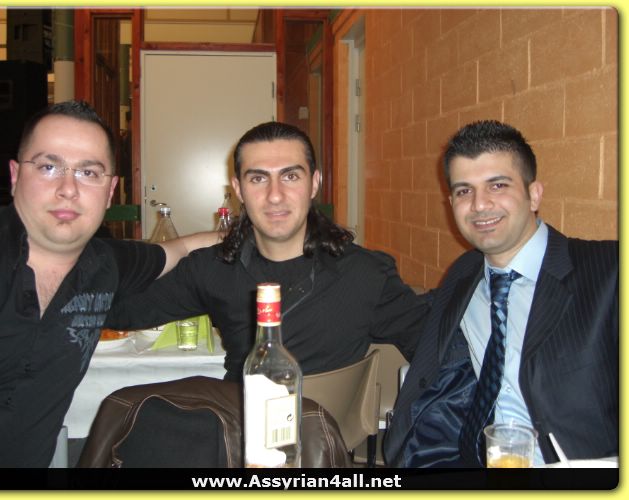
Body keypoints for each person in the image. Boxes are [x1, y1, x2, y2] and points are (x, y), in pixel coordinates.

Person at [0, 100, 217, 468]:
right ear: (14, 175)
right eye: (48, 167)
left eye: (89, 172)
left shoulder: (106, 263)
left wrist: (263, 231)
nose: (68, 188)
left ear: (110, 191)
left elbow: (180, 248)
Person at [107, 121, 429, 382]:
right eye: (259, 178)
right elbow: (117, 309)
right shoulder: (215, 269)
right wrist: (182, 245)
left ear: (315, 183)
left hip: (323, 440)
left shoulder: (365, 275)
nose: (275, 195)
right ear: (238, 189)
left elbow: (435, 348)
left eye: (290, 176)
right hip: (237, 435)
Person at [383, 120, 618, 467]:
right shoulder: (464, 274)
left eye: (497, 185)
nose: (479, 204)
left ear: (534, 194)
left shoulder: (609, 272)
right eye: (464, 191)